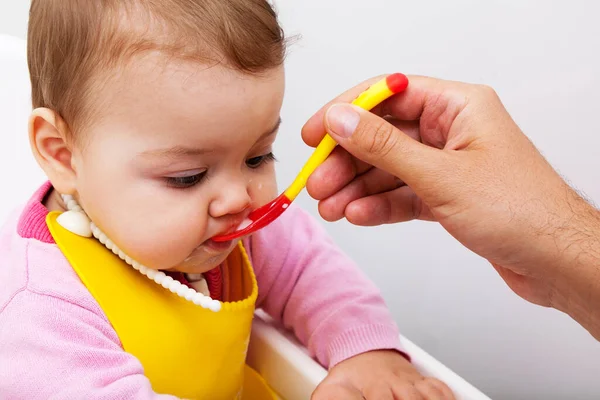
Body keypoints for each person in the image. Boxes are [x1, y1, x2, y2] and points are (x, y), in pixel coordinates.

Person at [0, 2, 456, 400]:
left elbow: (311, 273)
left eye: (258, 156)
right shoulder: (40, 310)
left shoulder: (234, 230)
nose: (240, 198)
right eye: (188, 176)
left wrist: (367, 353)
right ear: (63, 155)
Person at [302, 74, 600, 342]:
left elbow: (329, 288)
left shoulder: (287, 238)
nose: (252, 195)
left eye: (258, 158)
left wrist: (365, 349)